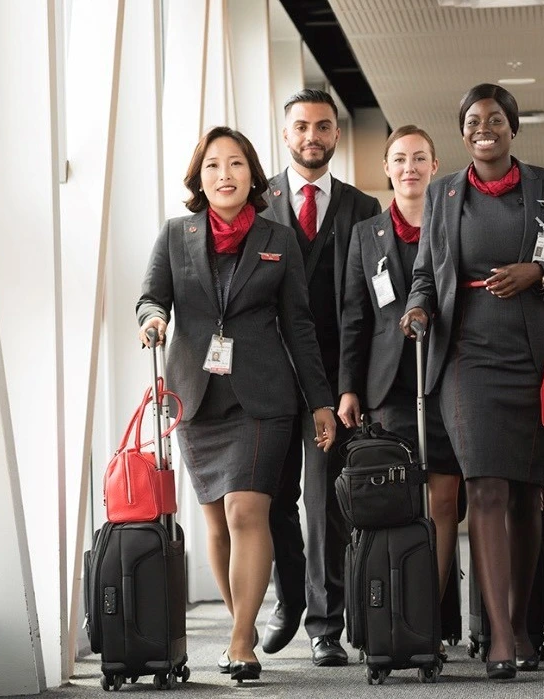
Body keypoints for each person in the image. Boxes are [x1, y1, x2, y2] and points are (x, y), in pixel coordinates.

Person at [400, 83, 544, 681]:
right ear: (463, 134)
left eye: (495, 119)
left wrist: (540, 271)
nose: (484, 128)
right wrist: (417, 310)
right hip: (467, 360)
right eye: (473, 121)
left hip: (534, 361)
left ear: (513, 128)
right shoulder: (443, 194)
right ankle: (501, 636)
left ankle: (521, 619)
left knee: (527, 496)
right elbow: (426, 274)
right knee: (482, 487)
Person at [136, 126, 336, 681]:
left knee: (246, 510)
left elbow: (299, 324)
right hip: (196, 401)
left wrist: (319, 400)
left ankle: (242, 640)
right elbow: (152, 296)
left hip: (263, 398)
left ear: (253, 175)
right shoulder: (176, 235)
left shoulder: (278, 238)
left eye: (236, 165)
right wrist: (151, 319)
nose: (224, 175)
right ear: (200, 179)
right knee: (217, 525)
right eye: (213, 166)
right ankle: (240, 622)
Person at [257, 89, 382, 666]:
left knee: (326, 502)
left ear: (337, 135)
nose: (312, 136)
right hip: (264, 380)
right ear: (286, 135)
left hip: (332, 382)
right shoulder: (259, 206)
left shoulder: (362, 210)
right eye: (302, 126)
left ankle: (326, 625)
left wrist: (354, 385)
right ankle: (290, 601)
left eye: (324, 126)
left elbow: (370, 307)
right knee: (273, 498)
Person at [337, 125, 462, 661]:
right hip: (389, 386)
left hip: (450, 376)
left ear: (435, 166)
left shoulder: (457, 224)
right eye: (398, 159)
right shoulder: (367, 235)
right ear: (386, 169)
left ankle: (425, 621)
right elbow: (354, 318)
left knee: (443, 499)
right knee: (396, 496)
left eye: (419, 158)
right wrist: (347, 388)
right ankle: (395, 609)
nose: (409, 167)